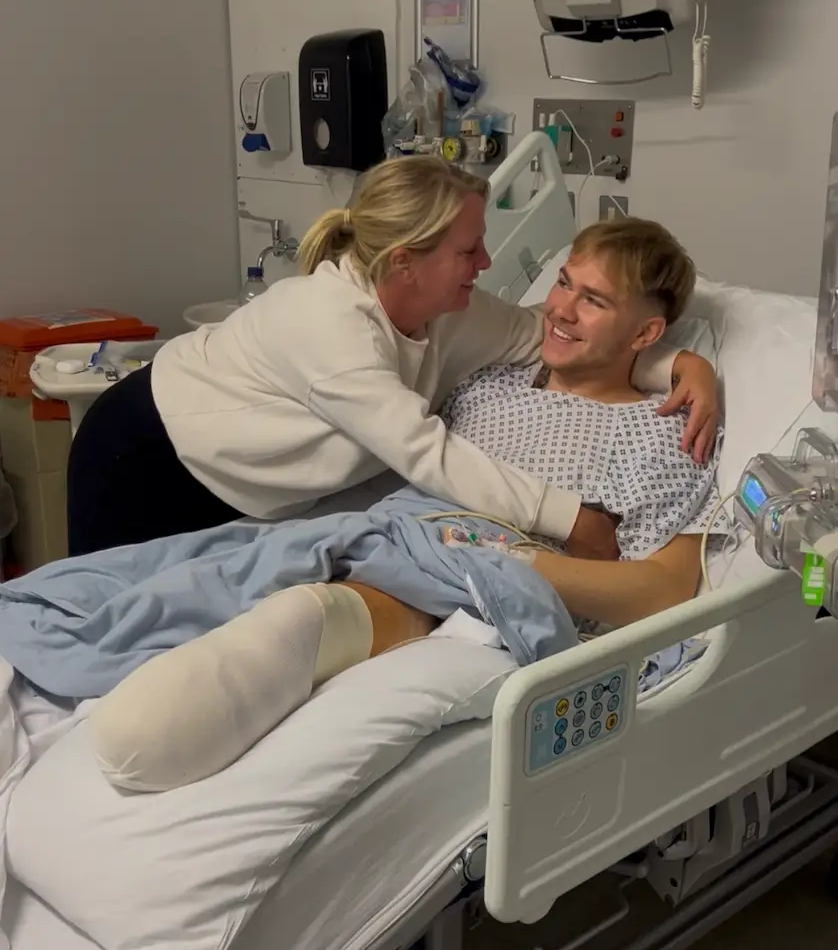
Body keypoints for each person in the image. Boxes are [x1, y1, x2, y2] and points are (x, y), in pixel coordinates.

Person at [71, 215, 728, 793]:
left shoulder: (661, 433)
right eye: (563, 282)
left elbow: (667, 588)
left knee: (310, 623)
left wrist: (511, 565)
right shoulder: (484, 376)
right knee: (153, 589)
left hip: (464, 591)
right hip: (369, 537)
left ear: (646, 332)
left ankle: (216, 689)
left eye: (593, 301)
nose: (560, 308)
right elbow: (423, 450)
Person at [65, 157, 717, 560]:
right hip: (146, 458)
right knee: (107, 619)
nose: (486, 264)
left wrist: (684, 367)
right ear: (405, 264)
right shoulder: (330, 329)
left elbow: (540, 334)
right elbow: (423, 450)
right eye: (469, 251)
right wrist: (570, 518)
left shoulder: (451, 310)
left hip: (253, 492)